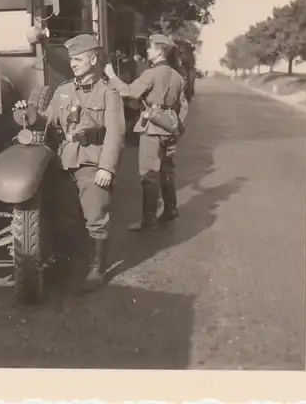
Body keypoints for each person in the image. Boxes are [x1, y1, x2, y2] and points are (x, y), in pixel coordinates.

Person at [14, 34, 126, 292]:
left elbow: (115, 134)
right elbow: (45, 122)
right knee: (65, 217)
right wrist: (25, 112)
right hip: (66, 162)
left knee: (96, 218)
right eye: (71, 59)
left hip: (93, 163)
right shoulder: (63, 91)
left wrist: (106, 168)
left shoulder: (109, 93)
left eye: (78, 59)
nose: (73, 63)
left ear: (94, 59)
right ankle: (64, 263)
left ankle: (96, 269)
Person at [104, 33, 188, 231]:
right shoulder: (177, 76)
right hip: (170, 127)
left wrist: (111, 76)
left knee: (149, 174)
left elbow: (128, 91)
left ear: (159, 51)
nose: (147, 51)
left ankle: (149, 219)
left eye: (150, 47)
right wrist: (178, 126)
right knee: (167, 170)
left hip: (152, 128)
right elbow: (183, 105)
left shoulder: (151, 74)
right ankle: (170, 208)